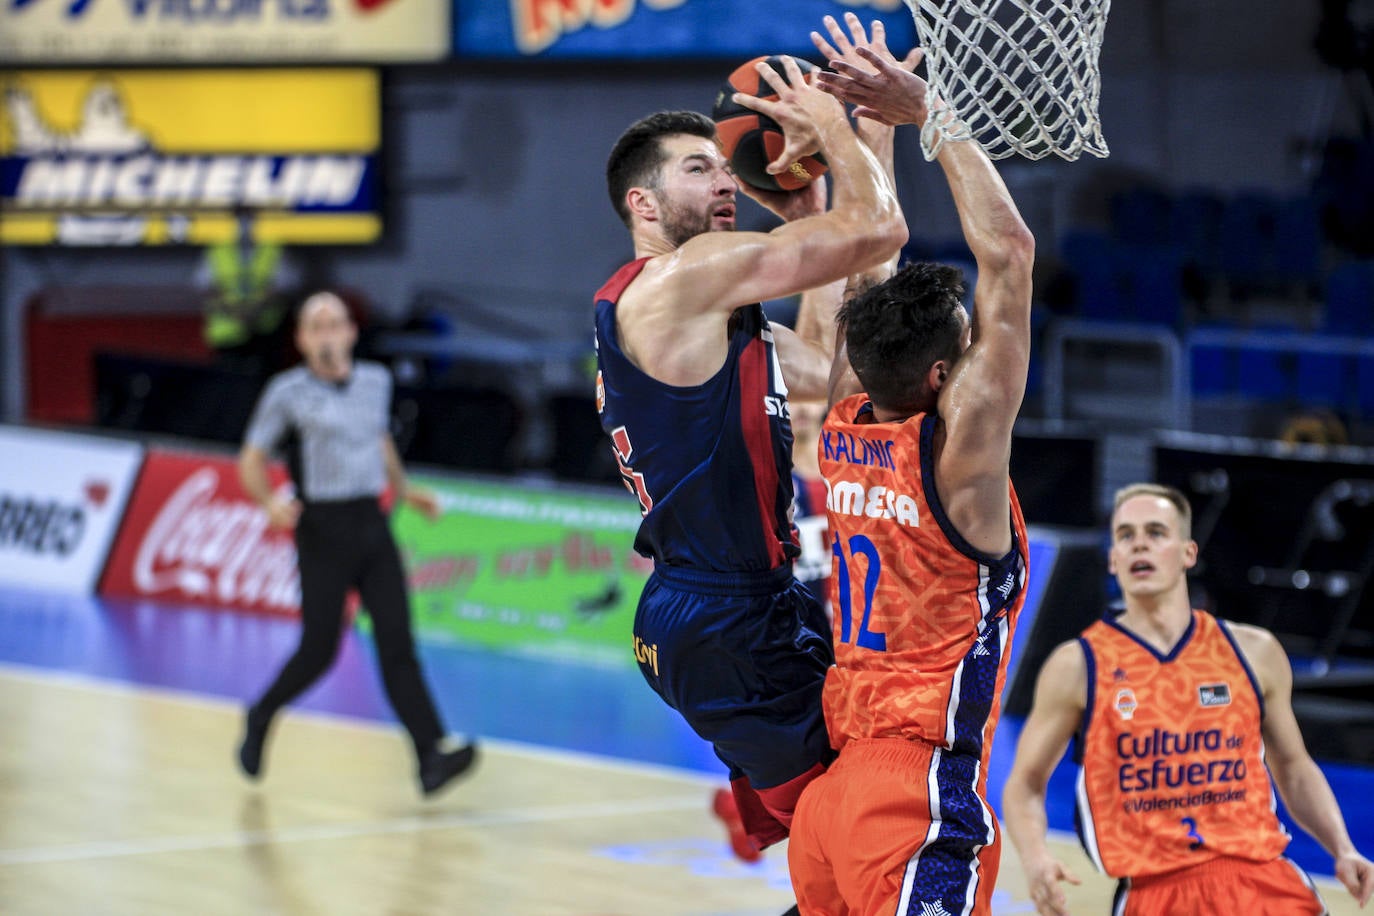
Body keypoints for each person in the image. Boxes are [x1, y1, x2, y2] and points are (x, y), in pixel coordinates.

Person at [594, 22, 908, 861]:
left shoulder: (717, 317)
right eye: (698, 167)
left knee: (859, 838)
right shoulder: (677, 283)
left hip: (744, 608)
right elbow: (880, 232)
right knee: (865, 841)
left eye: (725, 162)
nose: (725, 177)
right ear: (644, 205)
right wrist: (846, 127)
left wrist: (813, 207)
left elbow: (850, 380)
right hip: (725, 620)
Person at [783, 18, 1036, 916]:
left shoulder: (845, 414)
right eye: (964, 355)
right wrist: (931, 112)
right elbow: (1008, 257)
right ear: (941, 378)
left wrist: (866, 131)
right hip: (917, 787)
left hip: (834, 790)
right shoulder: (957, 453)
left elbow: (868, 261)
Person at [1002, 483, 1374, 915]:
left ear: (1187, 553)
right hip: (1158, 893)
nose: (1140, 542)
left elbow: (1292, 767)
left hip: (1266, 884)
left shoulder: (1253, 651)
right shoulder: (1078, 665)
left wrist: (1342, 849)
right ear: (1114, 559)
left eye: (1156, 532)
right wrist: (1035, 858)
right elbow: (1025, 784)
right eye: (1126, 535)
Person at [235, 291, 478, 797]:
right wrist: (268, 504)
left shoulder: (375, 381)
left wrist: (407, 491)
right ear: (302, 340)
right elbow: (250, 459)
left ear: (350, 333)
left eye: (335, 324)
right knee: (319, 650)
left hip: (372, 521)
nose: (327, 334)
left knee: (398, 646)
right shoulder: (287, 393)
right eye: (316, 326)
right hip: (322, 528)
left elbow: (379, 441)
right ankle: (260, 715)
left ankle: (430, 756)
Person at [196, 204, 301, 374]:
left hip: (266, 333)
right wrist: (237, 313)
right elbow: (206, 290)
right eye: (239, 219)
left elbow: (284, 287)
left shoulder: (272, 250)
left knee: (264, 383)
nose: (244, 224)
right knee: (229, 387)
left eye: (249, 218)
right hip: (227, 337)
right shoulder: (217, 251)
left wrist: (254, 311)